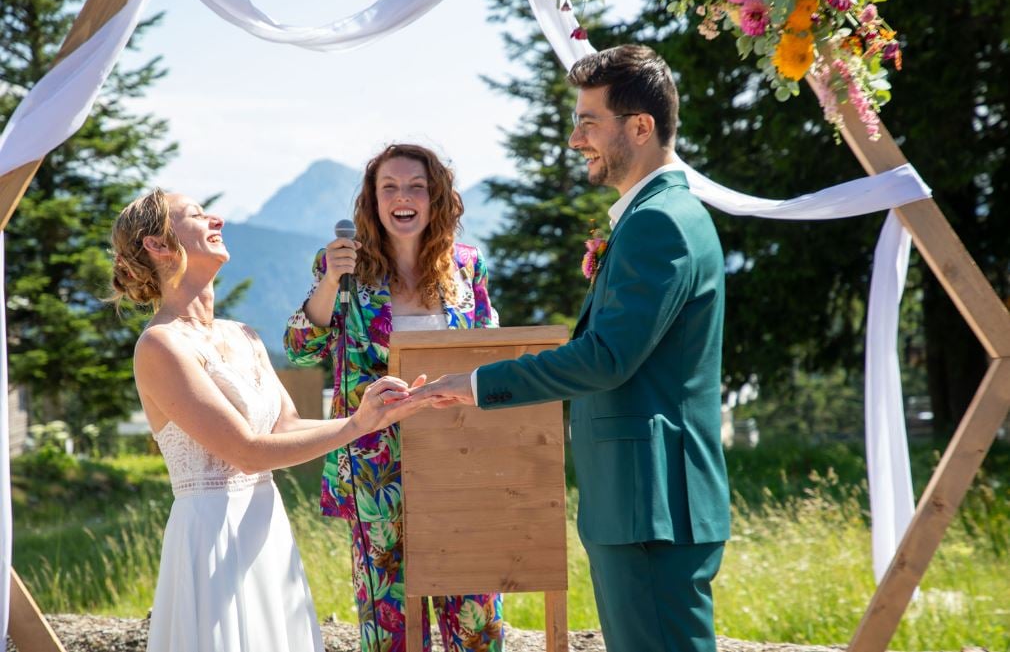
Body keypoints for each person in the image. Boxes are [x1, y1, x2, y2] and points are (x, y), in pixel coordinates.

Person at [414, 45, 730, 652]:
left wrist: (476, 385)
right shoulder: (654, 216)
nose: (573, 138)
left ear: (640, 127)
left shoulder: (659, 222)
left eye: (588, 121)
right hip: (641, 501)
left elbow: (607, 357)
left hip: (651, 504)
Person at [110, 188, 432, 652]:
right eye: (197, 215)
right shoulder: (161, 346)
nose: (215, 219)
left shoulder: (243, 335)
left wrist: (376, 414)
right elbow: (245, 452)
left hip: (265, 525)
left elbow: (286, 429)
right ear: (158, 246)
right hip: (211, 536)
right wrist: (358, 426)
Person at [283, 143, 504, 652]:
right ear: (373, 200)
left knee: (476, 613)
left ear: (436, 198)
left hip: (460, 459)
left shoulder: (468, 267)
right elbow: (300, 349)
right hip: (374, 467)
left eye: (416, 187)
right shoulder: (343, 266)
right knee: (390, 624)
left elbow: (491, 348)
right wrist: (332, 280)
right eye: (389, 187)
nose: (402, 197)